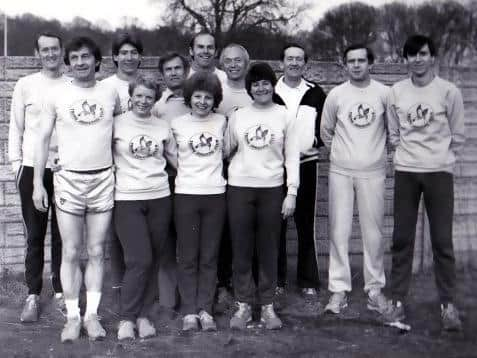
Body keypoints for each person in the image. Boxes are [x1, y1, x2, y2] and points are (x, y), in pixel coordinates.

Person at [33, 36, 120, 342]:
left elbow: (119, 133)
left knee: (97, 251)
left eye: (87, 57)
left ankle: (92, 316)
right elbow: (42, 138)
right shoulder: (56, 93)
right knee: (70, 251)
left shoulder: (110, 92)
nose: (81, 62)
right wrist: (37, 184)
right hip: (68, 179)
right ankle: (72, 317)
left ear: (98, 61)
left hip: (102, 179)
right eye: (75, 57)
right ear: (68, 62)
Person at [385, 34, 465, 331]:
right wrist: (406, 155)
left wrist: (440, 159)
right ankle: (397, 302)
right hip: (406, 172)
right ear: (405, 59)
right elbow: (393, 133)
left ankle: (448, 305)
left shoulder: (449, 91)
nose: (417, 59)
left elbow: (458, 135)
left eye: (422, 53)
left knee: (442, 241)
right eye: (411, 55)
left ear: (432, 57)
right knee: (402, 239)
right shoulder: (396, 92)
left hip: (439, 173)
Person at [226, 63, 299, 330]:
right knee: (242, 248)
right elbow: (225, 149)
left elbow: (292, 156)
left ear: (272, 85)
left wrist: (291, 193)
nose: (261, 88)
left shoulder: (284, 115)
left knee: (269, 249)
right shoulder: (238, 116)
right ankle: (244, 305)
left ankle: (267, 306)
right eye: (255, 84)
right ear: (249, 89)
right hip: (240, 188)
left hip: (272, 189)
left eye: (265, 82)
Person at [320, 44, 389, 314]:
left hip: (373, 172)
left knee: (373, 233)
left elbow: (391, 129)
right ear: (344, 64)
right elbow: (326, 131)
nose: (357, 65)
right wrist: (341, 154)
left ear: (370, 63)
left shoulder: (384, 93)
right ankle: (338, 290)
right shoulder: (337, 94)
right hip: (340, 171)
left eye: (362, 60)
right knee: (339, 231)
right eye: (351, 61)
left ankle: (374, 289)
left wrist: (375, 156)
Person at [8, 31, 67, 323]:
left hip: (65, 168)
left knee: (63, 235)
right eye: (45, 50)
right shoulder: (25, 85)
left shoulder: (72, 85)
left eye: (55, 49)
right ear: (37, 53)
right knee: (34, 235)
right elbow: (15, 129)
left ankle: (60, 292)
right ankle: (33, 294)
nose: (51, 54)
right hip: (32, 169)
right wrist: (17, 165)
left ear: (62, 51)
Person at [113, 76, 177, 340]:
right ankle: (126, 319)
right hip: (127, 198)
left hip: (160, 197)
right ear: (131, 96)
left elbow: (175, 159)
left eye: (148, 97)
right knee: (139, 259)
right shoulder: (116, 124)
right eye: (138, 96)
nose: (143, 101)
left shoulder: (162, 126)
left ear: (155, 100)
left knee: (153, 259)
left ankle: (144, 317)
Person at [170, 72, 227, 332]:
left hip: (215, 194)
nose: (202, 102)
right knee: (188, 256)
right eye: (197, 97)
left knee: (209, 256)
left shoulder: (222, 122)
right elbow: (171, 156)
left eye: (208, 97)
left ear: (215, 99)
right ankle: (189, 311)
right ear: (189, 98)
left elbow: (228, 152)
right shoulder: (178, 124)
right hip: (186, 195)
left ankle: (205, 309)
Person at [274, 43, 326, 296]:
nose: (294, 63)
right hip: (275, 166)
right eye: (289, 58)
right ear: (281, 63)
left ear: (306, 64)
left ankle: (307, 281)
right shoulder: (270, 90)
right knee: (276, 225)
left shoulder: (316, 92)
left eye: (299, 59)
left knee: (305, 223)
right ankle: (277, 280)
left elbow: (325, 127)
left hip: (306, 165)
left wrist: (313, 142)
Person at [101, 33, 144, 301]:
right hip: (113, 166)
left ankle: (140, 284)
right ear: (115, 56)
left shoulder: (147, 85)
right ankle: (118, 284)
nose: (129, 57)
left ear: (140, 56)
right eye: (123, 52)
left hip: (140, 166)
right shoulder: (106, 87)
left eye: (134, 52)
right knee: (117, 231)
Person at [215, 43, 253, 307]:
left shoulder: (255, 92)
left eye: (238, 60)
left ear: (246, 63)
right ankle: (221, 283)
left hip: (250, 169)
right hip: (219, 167)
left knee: (245, 228)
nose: (233, 64)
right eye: (227, 60)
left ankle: (246, 283)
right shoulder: (217, 91)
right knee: (222, 228)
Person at [152, 52, 190, 314]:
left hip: (194, 182)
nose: (174, 73)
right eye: (169, 69)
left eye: (178, 68)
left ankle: (191, 297)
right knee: (166, 241)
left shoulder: (197, 100)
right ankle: (167, 299)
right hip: (165, 180)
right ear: (163, 74)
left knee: (189, 241)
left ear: (186, 70)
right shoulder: (157, 106)